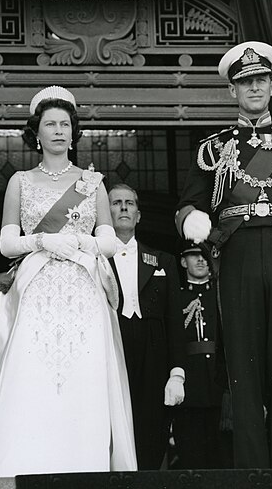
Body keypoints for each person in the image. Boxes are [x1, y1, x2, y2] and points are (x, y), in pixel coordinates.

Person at [0, 86, 136, 479]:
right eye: (50, 124)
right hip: (34, 290)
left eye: (65, 124)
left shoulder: (92, 183)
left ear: (74, 133)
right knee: (27, 377)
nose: (58, 131)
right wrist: (41, 239)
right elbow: (7, 243)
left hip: (81, 292)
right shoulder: (20, 181)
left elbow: (108, 241)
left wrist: (78, 241)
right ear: (35, 133)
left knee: (82, 379)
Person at [175, 41, 272, 469]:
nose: (254, 87)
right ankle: (253, 476)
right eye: (245, 82)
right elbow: (188, 203)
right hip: (237, 260)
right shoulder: (212, 148)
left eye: (260, 79)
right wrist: (193, 221)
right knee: (243, 374)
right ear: (232, 92)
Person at [108, 183, 186, 470]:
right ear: (106, 212)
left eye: (130, 203)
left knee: (151, 432)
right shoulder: (92, 260)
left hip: (154, 353)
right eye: (116, 203)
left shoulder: (162, 260)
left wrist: (177, 372)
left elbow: (175, 321)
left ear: (139, 215)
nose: (124, 207)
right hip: (112, 349)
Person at [170, 240, 232, 469]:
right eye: (194, 255)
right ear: (183, 261)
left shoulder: (221, 295)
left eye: (205, 256)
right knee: (191, 456)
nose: (200, 260)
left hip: (218, 384)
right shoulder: (175, 296)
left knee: (221, 456)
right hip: (189, 386)